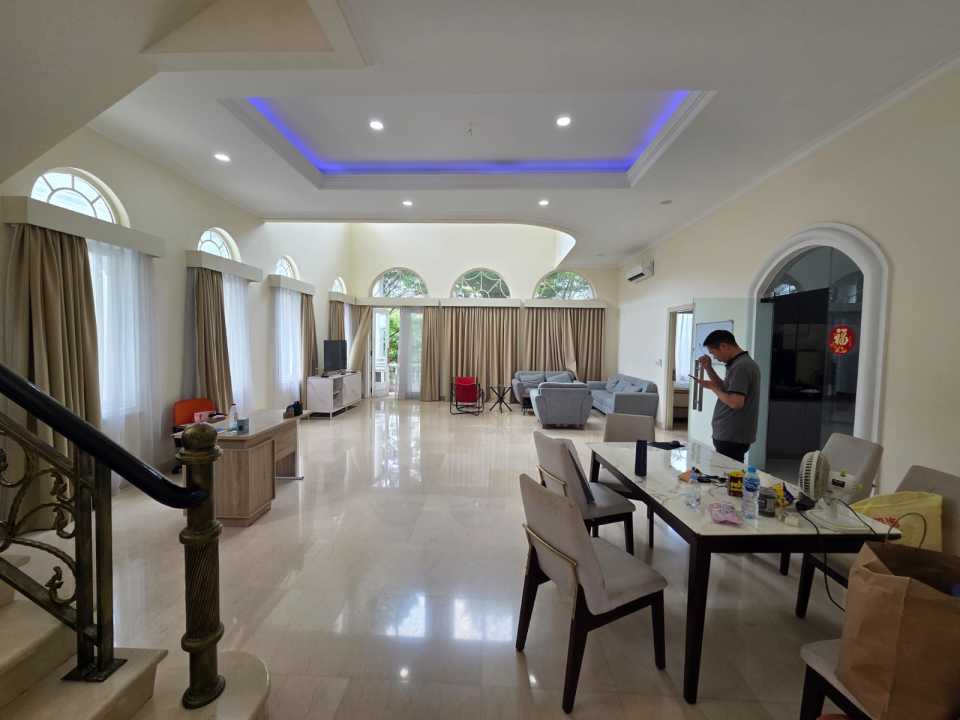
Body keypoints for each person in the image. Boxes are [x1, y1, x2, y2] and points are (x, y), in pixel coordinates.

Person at [695, 329, 761, 462]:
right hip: (730, 434)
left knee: (727, 473)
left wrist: (713, 388)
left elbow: (736, 402)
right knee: (727, 472)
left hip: (732, 436)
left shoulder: (741, 367)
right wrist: (708, 368)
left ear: (724, 346)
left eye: (713, 352)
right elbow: (726, 389)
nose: (714, 357)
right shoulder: (739, 364)